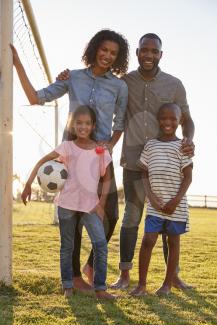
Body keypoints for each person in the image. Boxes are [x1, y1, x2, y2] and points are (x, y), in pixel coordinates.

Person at [10, 29, 129, 291]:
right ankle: (73, 277)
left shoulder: (119, 86)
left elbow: (120, 123)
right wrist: (17, 63)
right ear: (95, 48)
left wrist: (108, 146)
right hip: (72, 158)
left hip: (99, 159)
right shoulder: (73, 78)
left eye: (113, 53)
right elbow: (36, 97)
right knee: (73, 217)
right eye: (104, 49)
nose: (107, 56)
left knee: (110, 213)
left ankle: (90, 264)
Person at [110, 33, 195, 290]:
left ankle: (173, 277)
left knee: (170, 220)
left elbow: (187, 119)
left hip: (168, 164)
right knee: (132, 219)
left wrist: (188, 139)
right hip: (136, 163)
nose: (149, 55)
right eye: (144, 50)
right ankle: (125, 275)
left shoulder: (174, 85)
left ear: (160, 54)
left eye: (154, 51)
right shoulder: (125, 83)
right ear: (137, 53)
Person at [21, 105, 117, 299]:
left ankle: (100, 288)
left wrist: (101, 203)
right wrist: (28, 184)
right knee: (67, 246)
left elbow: (107, 180)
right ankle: (67, 286)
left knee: (100, 243)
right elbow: (42, 161)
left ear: (93, 125)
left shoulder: (100, 152)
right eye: (79, 123)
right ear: (72, 125)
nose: (83, 127)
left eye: (87, 123)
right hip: (66, 204)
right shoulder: (66, 147)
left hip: (90, 206)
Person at [131, 103, 193, 296]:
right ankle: (141, 285)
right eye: (164, 118)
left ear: (179, 121)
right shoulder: (150, 145)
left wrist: (175, 201)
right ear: (158, 121)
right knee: (148, 241)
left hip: (176, 206)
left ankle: (167, 284)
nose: (168, 122)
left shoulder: (182, 146)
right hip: (155, 205)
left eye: (172, 119)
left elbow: (188, 176)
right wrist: (151, 198)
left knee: (173, 243)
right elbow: (144, 174)